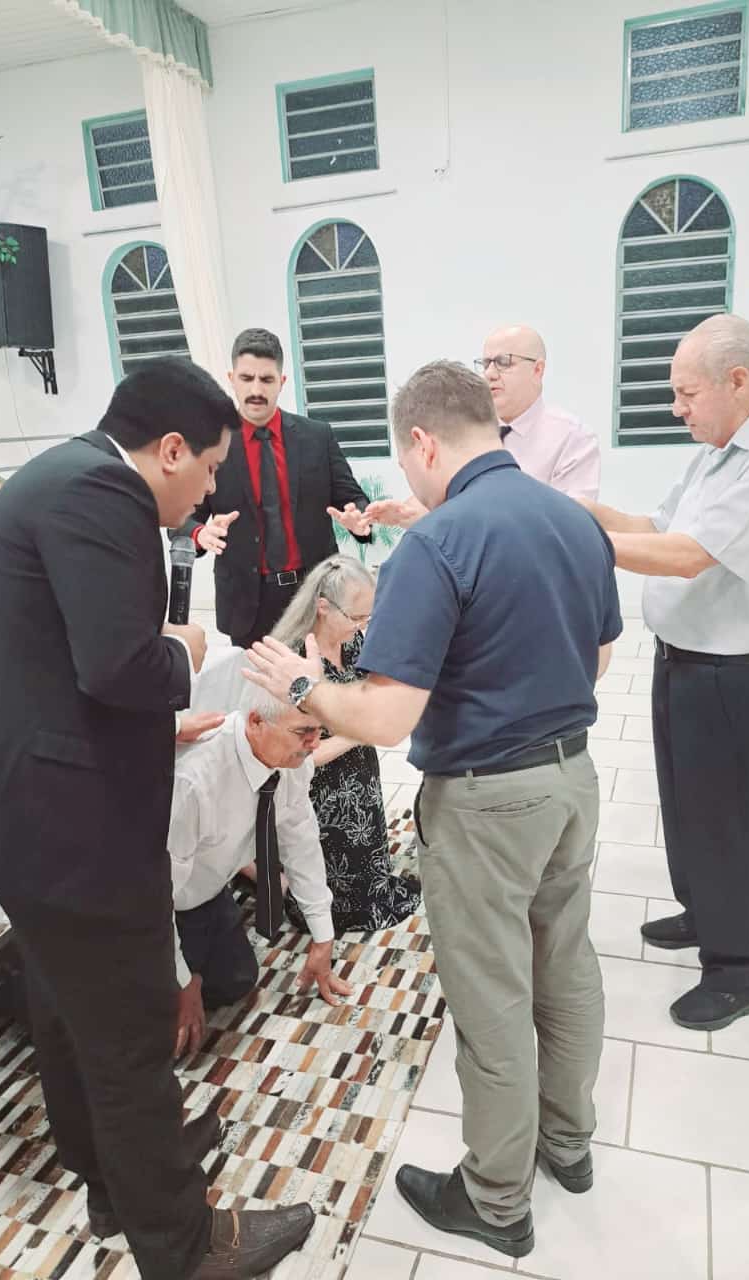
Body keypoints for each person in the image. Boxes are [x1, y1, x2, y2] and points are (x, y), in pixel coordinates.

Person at [0, 358, 314, 1280]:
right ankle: (184, 1247)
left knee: (71, 1011)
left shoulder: (65, 474)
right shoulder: (104, 493)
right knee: (131, 1034)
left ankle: (111, 1175)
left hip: (34, 814)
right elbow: (122, 665)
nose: (209, 489)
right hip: (71, 826)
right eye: (209, 467)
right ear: (170, 449)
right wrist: (188, 647)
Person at [244, 360, 622, 1261]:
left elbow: (384, 718)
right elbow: (600, 657)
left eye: (403, 461)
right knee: (564, 964)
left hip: (489, 800)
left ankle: (495, 1198)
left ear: (422, 441)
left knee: (492, 996)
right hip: (572, 779)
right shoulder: (574, 518)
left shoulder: (438, 541)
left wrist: (300, 682)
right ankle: (568, 1145)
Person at [581, 314, 749, 1033]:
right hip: (685, 659)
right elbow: (653, 527)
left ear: (737, 380)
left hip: (735, 672)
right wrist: (573, 509)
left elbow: (692, 555)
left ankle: (736, 971)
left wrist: (571, 539)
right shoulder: (721, 450)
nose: (677, 409)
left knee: (725, 821)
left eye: (685, 393)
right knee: (685, 805)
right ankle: (704, 912)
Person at [169, 683, 354, 1059]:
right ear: (256, 722)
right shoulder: (193, 780)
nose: (315, 743)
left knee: (237, 981)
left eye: (319, 730)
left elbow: (302, 843)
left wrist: (323, 937)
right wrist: (180, 982)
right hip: (142, 901)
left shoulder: (291, 761)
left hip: (206, 885)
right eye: (304, 731)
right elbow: (151, 896)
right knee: (156, 1029)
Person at [176, 327, 373, 647]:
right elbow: (181, 520)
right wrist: (201, 533)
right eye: (247, 378)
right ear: (232, 379)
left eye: (266, 379)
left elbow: (354, 499)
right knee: (259, 680)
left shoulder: (317, 437)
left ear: (281, 381)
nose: (256, 389)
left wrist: (360, 520)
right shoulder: (208, 444)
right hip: (247, 604)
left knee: (319, 677)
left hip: (316, 596)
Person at [270, 556, 422, 933]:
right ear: (323, 607)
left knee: (370, 848)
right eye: (356, 617)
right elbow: (299, 756)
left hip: (360, 771)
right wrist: (359, 731)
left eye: (368, 616)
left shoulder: (353, 641)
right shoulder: (295, 662)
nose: (362, 625)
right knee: (335, 872)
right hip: (317, 788)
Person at [365, 324, 599, 529]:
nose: (490, 374)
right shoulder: (468, 427)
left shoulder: (572, 437)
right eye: (486, 363)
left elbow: (573, 523)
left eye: (504, 362)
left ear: (538, 369)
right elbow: (446, 496)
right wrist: (404, 514)